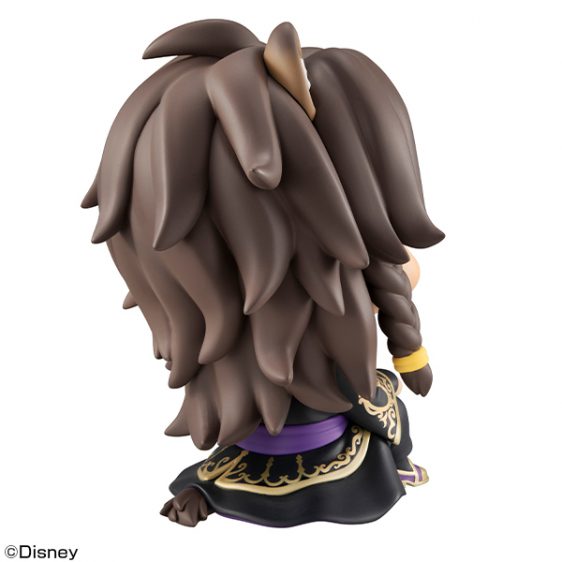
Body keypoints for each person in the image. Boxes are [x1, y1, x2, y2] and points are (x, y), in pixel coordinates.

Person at [83, 19, 444, 527]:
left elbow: (392, 270)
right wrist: (404, 342)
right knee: (373, 397)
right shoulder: (306, 300)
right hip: (300, 443)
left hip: (264, 441)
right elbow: (398, 270)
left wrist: (400, 332)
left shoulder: (216, 317)